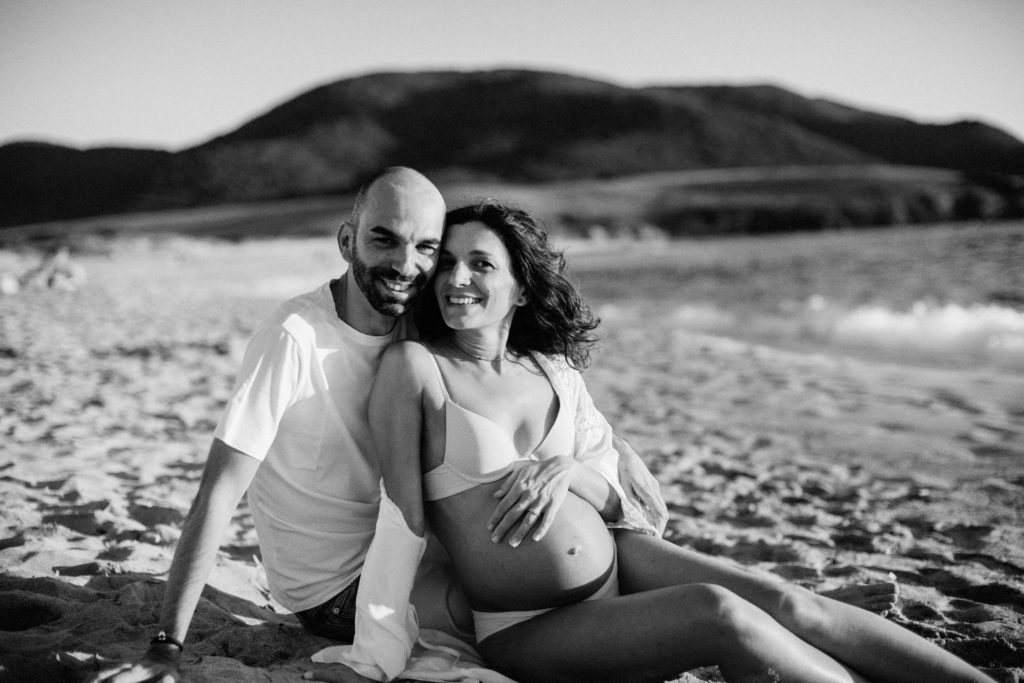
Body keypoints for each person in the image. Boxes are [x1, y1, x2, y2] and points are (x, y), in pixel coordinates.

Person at [350, 199, 994, 682]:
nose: (456, 277)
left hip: (624, 560)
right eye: (446, 262)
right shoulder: (415, 368)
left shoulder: (551, 369)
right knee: (719, 614)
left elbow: (619, 502)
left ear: (520, 287)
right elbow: (401, 519)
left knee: (790, 603)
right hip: (528, 623)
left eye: (480, 264)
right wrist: (375, 649)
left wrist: (568, 471)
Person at [87, 168, 666, 683]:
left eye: (426, 248)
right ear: (347, 241)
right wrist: (165, 648)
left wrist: (616, 444)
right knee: (550, 606)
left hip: (420, 555)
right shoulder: (295, 338)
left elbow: (519, 370)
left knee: (613, 566)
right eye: (384, 239)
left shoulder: (414, 316)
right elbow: (217, 493)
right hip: (343, 589)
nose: (405, 264)